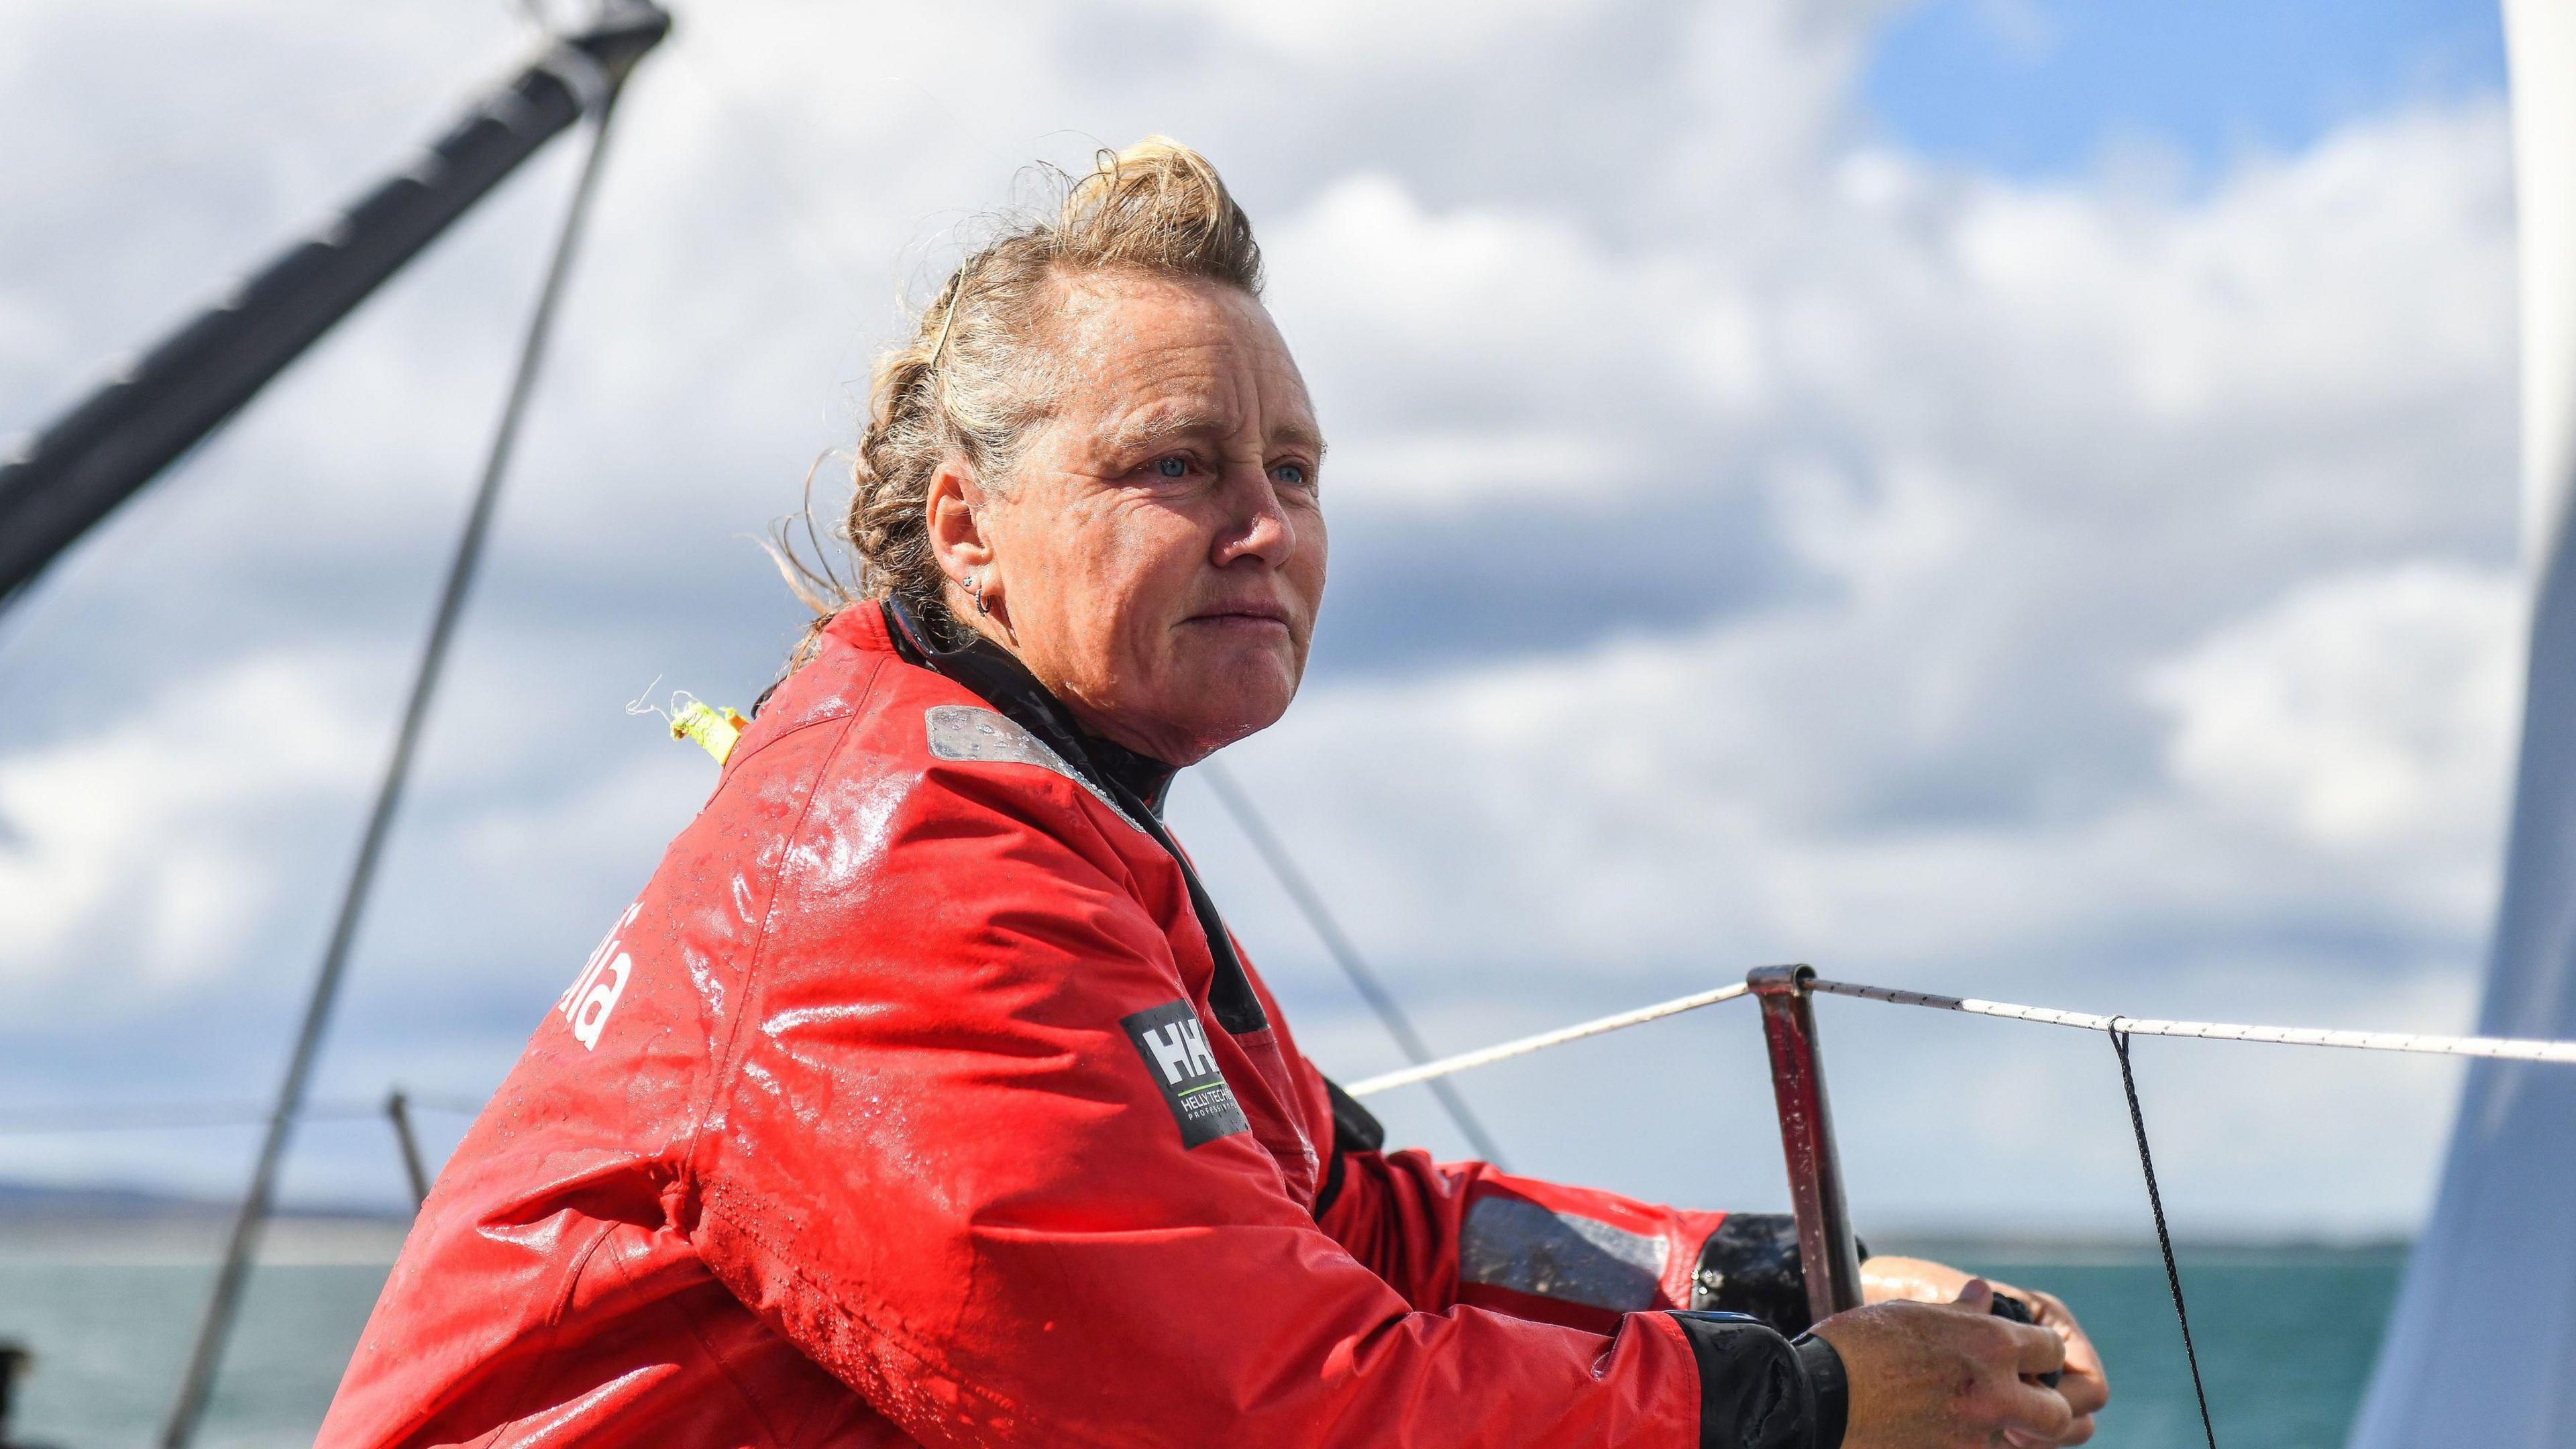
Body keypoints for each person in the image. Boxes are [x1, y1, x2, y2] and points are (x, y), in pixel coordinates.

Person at [319, 140, 2108, 1449]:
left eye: (1296, 469)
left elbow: (1361, 1224)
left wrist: (1782, 1281)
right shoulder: (899, 900)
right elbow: (1257, 1417)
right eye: (1176, 466)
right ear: (971, 532)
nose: (1263, 527)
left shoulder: (1032, 828)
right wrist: (1802, 1410)